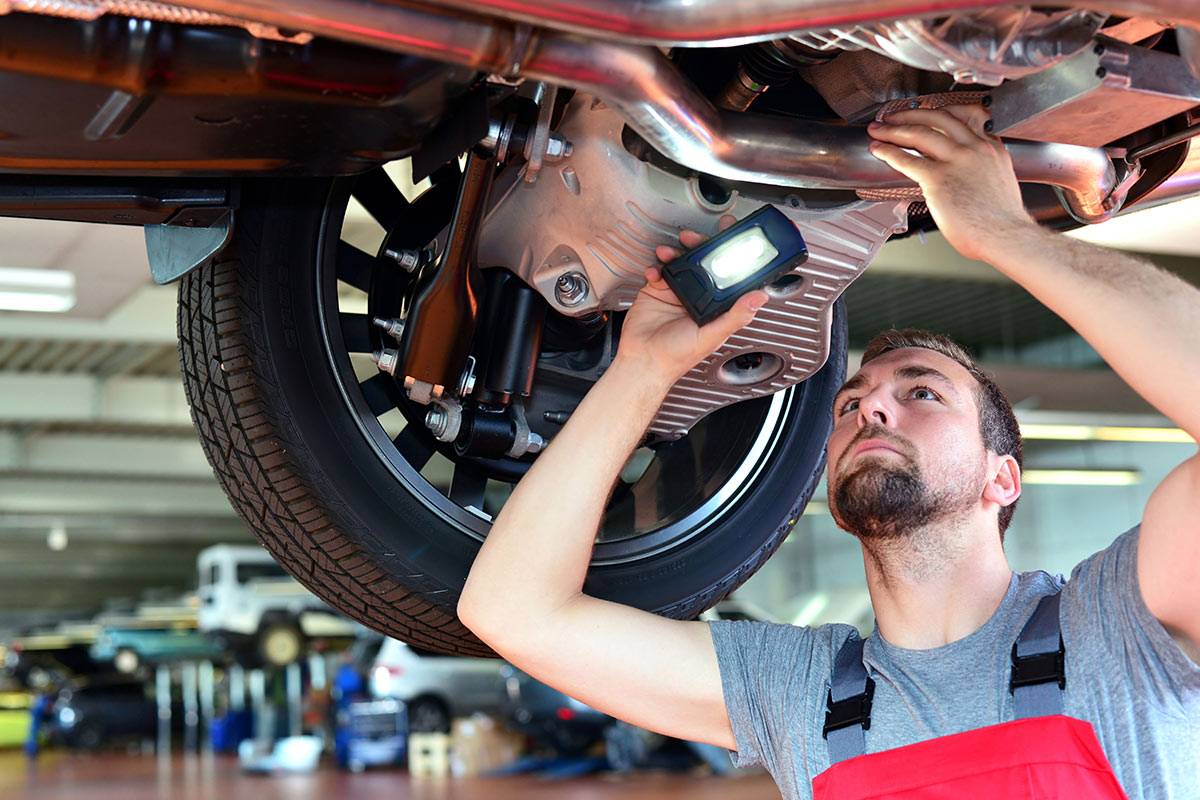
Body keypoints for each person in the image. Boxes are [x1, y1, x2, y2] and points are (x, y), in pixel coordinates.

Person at [457, 104, 1200, 799]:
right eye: (850, 404)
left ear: (1001, 478)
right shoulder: (800, 693)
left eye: (922, 393)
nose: (870, 404)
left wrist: (1004, 234)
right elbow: (513, 610)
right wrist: (643, 370)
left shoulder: (1116, 626)